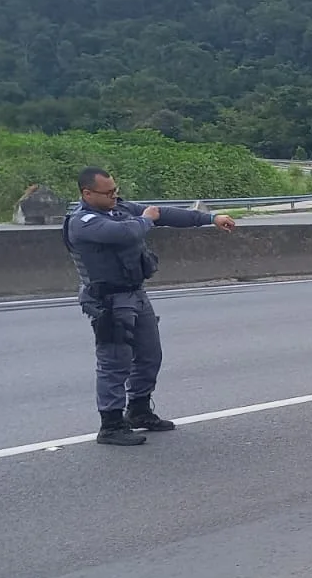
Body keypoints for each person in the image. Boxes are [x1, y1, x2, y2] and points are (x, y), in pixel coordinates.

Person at [62, 166, 237, 446]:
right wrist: (146, 219)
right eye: (108, 193)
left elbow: (163, 213)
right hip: (107, 300)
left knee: (149, 354)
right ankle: (111, 424)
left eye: (115, 190)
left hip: (135, 293)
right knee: (114, 361)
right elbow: (126, 234)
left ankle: (139, 411)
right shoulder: (83, 222)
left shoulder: (118, 209)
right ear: (87, 193)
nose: (114, 197)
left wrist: (210, 217)